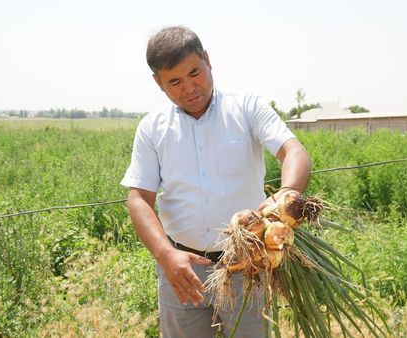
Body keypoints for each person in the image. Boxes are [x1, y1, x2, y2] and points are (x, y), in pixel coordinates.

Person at [121, 25, 311, 338]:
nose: (189, 88)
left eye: (195, 73)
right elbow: (138, 198)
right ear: (158, 83)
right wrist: (165, 255)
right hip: (182, 270)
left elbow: (294, 151)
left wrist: (285, 199)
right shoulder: (153, 128)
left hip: (248, 264)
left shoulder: (247, 108)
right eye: (175, 82)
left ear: (207, 60)